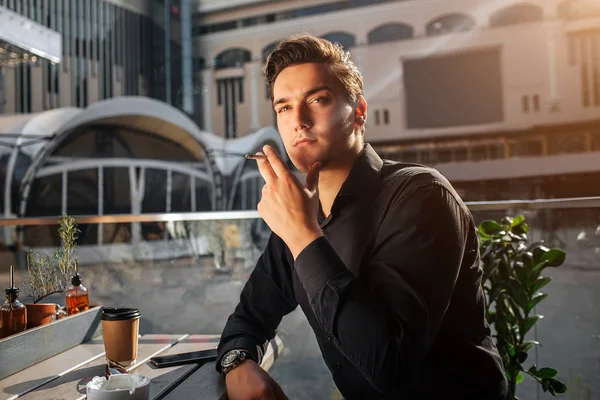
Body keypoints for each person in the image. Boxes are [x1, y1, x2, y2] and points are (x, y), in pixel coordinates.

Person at [216, 34, 511, 400]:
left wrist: (304, 234)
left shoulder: (421, 196)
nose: (299, 121)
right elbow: (247, 319)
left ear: (358, 111)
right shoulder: (303, 215)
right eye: (284, 108)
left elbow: (390, 366)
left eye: (317, 100)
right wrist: (237, 362)